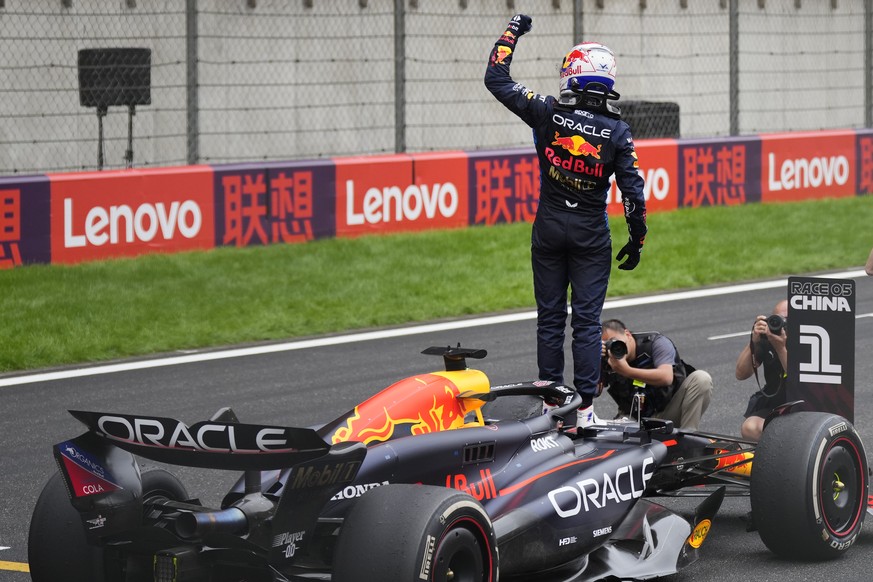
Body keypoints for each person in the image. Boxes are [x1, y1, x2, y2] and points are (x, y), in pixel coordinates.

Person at [485, 15, 647, 427]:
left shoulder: (547, 111)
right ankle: (586, 412)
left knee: (551, 319)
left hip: (549, 229)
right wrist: (637, 238)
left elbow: (496, 77)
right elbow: (632, 191)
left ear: (571, 75)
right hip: (592, 236)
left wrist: (513, 31)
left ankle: (550, 408)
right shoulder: (618, 131)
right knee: (587, 323)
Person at [600, 319, 712, 431]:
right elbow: (591, 392)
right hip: (633, 419)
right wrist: (593, 360)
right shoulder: (606, 359)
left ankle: (687, 437)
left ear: (628, 334)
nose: (612, 349)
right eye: (607, 346)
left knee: (701, 378)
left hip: (667, 412)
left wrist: (626, 370)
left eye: (614, 342)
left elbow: (666, 377)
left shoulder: (656, 343)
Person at [735, 300, 788, 441]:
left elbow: (800, 380)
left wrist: (781, 348)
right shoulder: (767, 338)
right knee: (749, 427)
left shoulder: (805, 338)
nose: (781, 323)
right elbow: (741, 374)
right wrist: (754, 341)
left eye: (787, 319)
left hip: (803, 401)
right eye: (777, 318)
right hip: (776, 401)